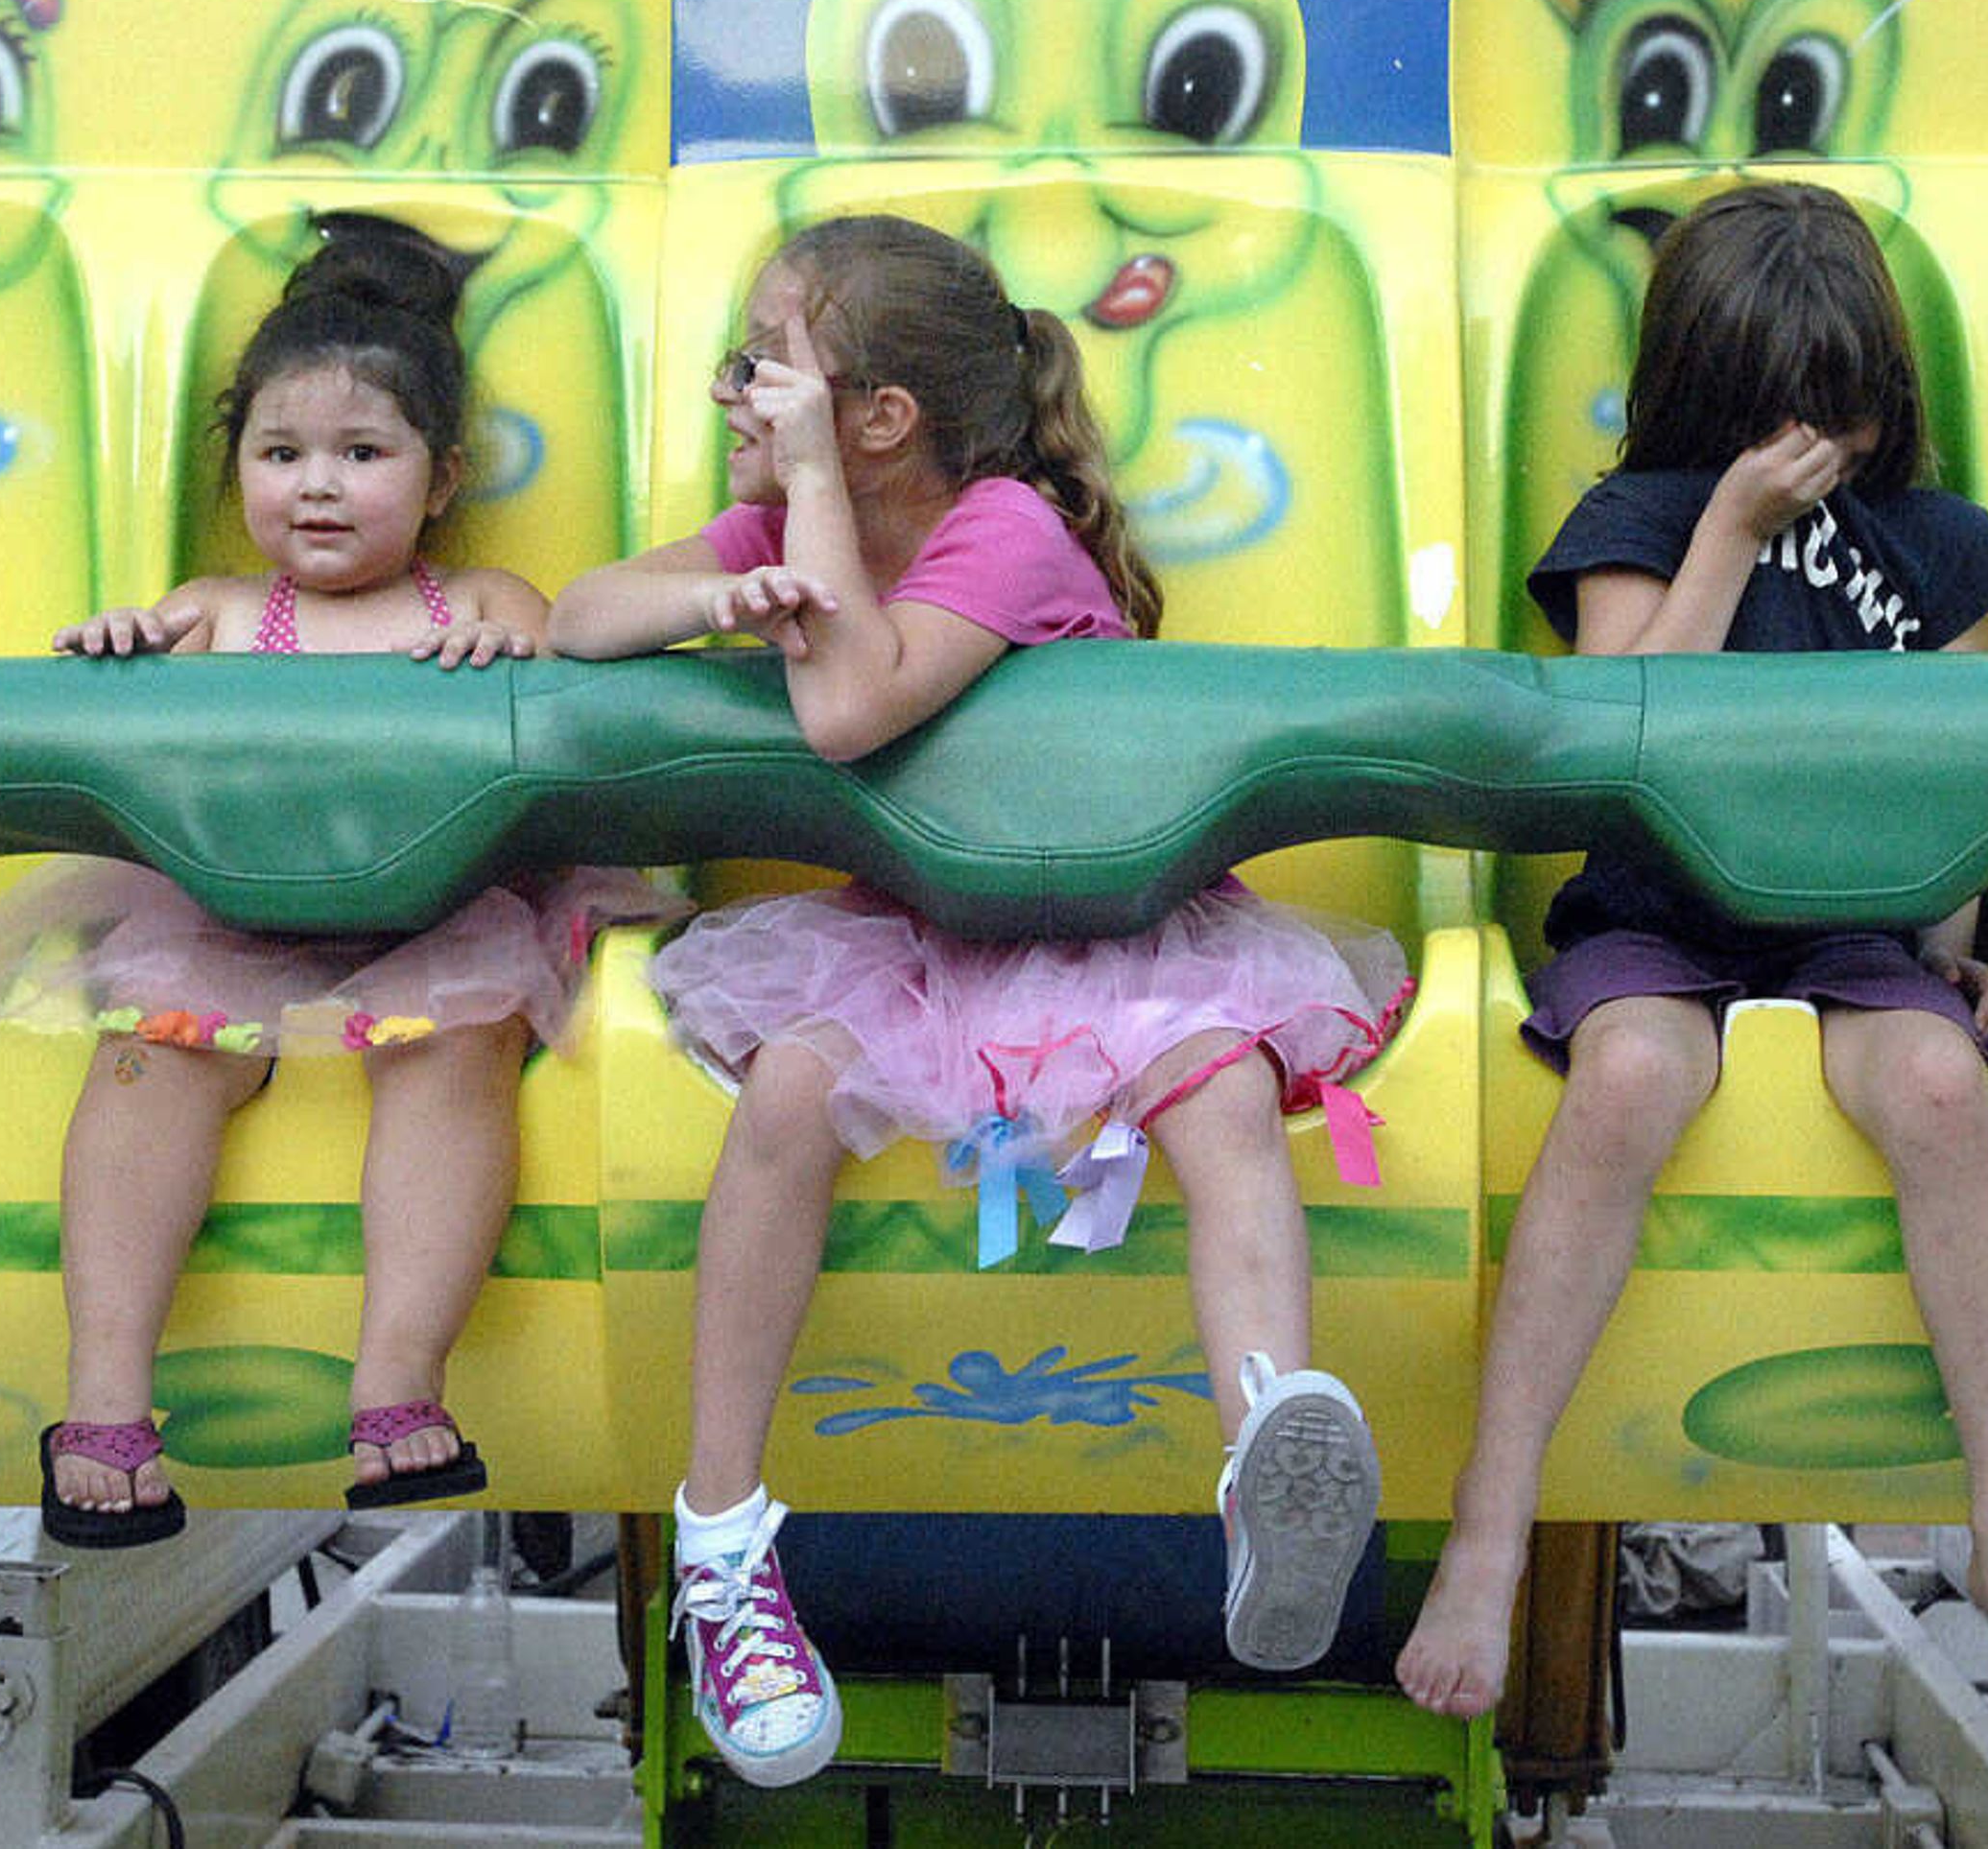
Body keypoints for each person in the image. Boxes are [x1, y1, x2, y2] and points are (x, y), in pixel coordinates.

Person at [549, 212, 1408, 1788]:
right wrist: (717, 596)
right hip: (926, 942)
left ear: (879, 421)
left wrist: (800, 526)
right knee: (789, 1098)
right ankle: (723, 1540)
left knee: (1220, 1090)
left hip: (1112, 927)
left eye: (767, 365)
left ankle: (1271, 1452)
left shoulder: (1005, 525)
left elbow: (852, 711)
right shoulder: (785, 527)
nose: (732, 389)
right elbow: (578, 614)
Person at [1393, 180, 1988, 1739]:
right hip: (1661, 911)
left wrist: (1954, 945)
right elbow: (1613, 745)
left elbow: (1954, 778)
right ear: (1702, 403)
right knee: (1633, 1074)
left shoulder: (1945, 552)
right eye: (1774, 422)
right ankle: (1491, 1517)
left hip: (1855, 917)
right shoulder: (1641, 524)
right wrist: (1728, 524)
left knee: (1937, 1087)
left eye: (1839, 419)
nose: (1815, 456)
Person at [0, 214, 680, 1547]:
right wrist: (124, 652)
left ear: (441, 476)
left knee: (452, 1043)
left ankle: (398, 1384)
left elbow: (570, 717)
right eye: (282, 455)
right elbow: (139, 722)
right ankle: (103, 1401)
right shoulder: (216, 611)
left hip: (435, 912)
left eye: (362, 453)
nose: (318, 487)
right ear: (239, 469)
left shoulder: (486, 600)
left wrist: (513, 670)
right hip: (237, 911)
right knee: (149, 1048)